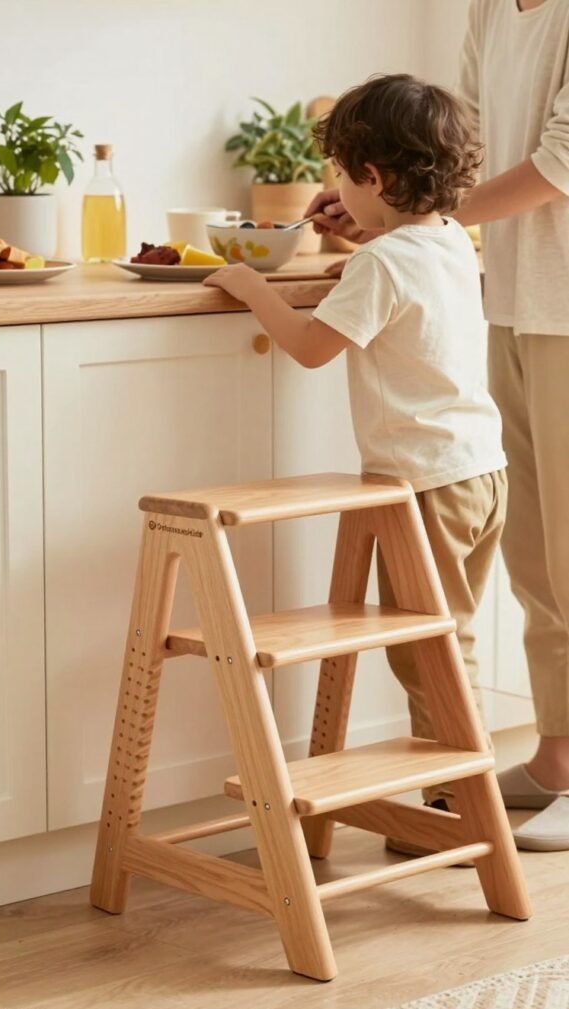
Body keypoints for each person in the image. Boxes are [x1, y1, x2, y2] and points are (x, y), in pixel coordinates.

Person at [205, 73, 507, 841]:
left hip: (425, 486)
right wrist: (361, 255)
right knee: (450, 638)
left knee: (424, 655)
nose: (336, 188)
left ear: (373, 177)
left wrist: (249, 286)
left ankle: (456, 805)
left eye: (342, 173)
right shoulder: (443, 242)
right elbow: (397, 295)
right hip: (478, 470)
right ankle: (447, 797)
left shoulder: (381, 264)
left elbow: (308, 347)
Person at [307, 0, 569, 853]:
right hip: (515, 296)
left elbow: (560, 159)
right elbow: (468, 135)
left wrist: (410, 213)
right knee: (535, 559)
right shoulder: (493, 4)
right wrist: (384, 201)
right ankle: (555, 761)